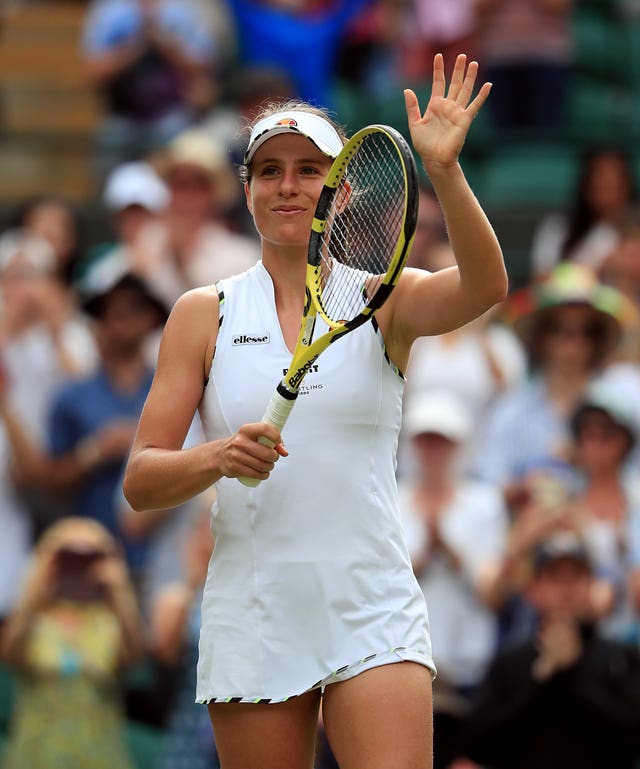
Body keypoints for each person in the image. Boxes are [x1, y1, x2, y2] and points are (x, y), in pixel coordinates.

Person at [123, 53, 508, 769]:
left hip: (373, 603)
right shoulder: (199, 314)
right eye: (270, 170)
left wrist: (447, 173)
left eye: (309, 169)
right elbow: (141, 481)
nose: (289, 185)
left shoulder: (382, 298)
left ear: (342, 187)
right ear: (247, 191)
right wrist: (218, 457)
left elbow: (487, 284)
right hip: (255, 604)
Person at [461, 531, 640, 769]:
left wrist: (571, 672)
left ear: (590, 585)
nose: (567, 589)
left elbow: (632, 737)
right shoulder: (510, 662)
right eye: (555, 577)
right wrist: (541, 677)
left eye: (576, 576)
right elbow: (477, 743)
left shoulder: (620, 658)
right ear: (533, 590)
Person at [0, 516, 144, 769]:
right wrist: (36, 588)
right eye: (68, 557)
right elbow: (10, 654)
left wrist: (120, 592)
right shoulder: (34, 620)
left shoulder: (109, 622)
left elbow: (134, 660)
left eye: (90, 557)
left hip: (99, 753)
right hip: (35, 752)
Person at [530, 147, 638, 279]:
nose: (608, 198)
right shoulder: (557, 227)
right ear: (586, 188)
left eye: (615, 188)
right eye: (599, 187)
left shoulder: (634, 235)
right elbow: (542, 279)